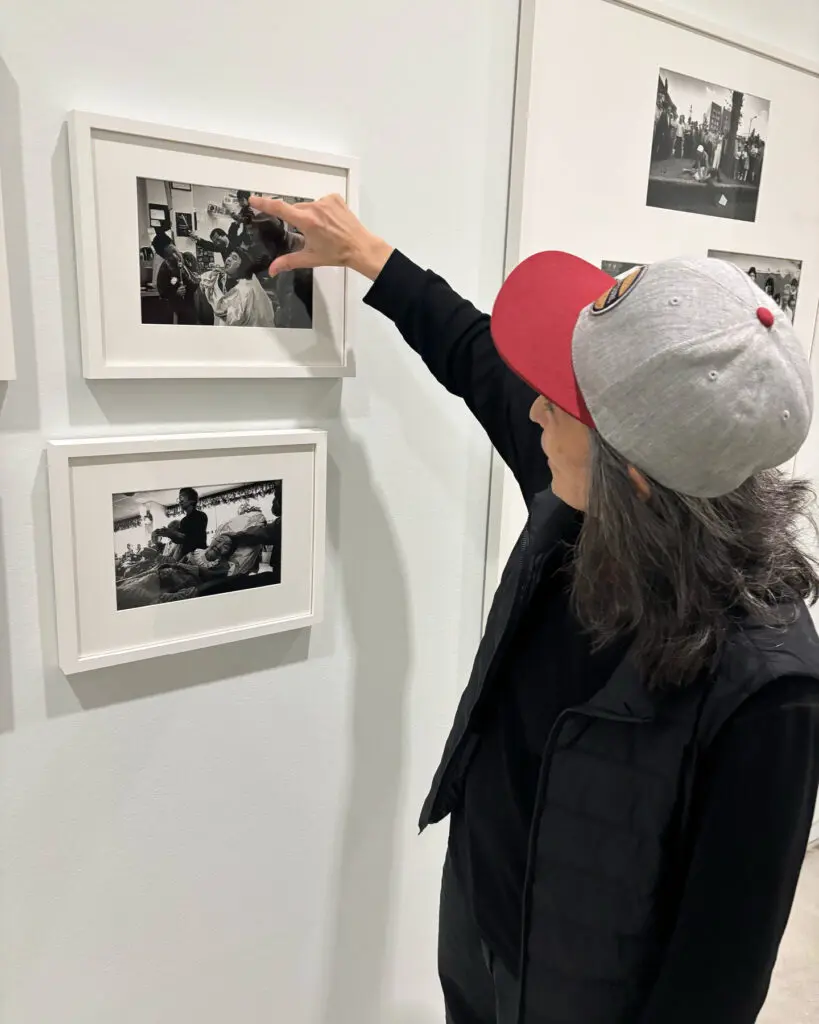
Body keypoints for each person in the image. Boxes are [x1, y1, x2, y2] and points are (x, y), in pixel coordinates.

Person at [250, 192, 819, 1024]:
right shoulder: (580, 496)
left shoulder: (769, 691)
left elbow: (716, 982)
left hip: (581, 993)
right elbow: (477, 355)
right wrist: (372, 256)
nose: (533, 408)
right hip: (480, 917)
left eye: (560, 397)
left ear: (632, 473)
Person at [198, 250, 277, 327]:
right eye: (229, 256)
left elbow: (234, 318)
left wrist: (214, 298)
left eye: (234, 258)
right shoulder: (222, 278)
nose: (228, 259)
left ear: (241, 265)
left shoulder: (246, 287)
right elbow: (204, 280)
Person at [152, 233, 200, 324]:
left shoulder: (188, 258)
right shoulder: (165, 267)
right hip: (175, 310)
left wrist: (183, 271)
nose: (168, 255)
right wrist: (175, 292)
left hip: (191, 306)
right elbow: (162, 290)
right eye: (164, 254)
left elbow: (196, 281)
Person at [153, 488, 208, 557]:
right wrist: (168, 534)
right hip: (186, 556)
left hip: (198, 555)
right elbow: (180, 540)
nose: (179, 502)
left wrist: (172, 533)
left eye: (182, 498)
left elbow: (194, 538)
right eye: (179, 499)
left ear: (192, 500)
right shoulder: (183, 521)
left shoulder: (201, 516)